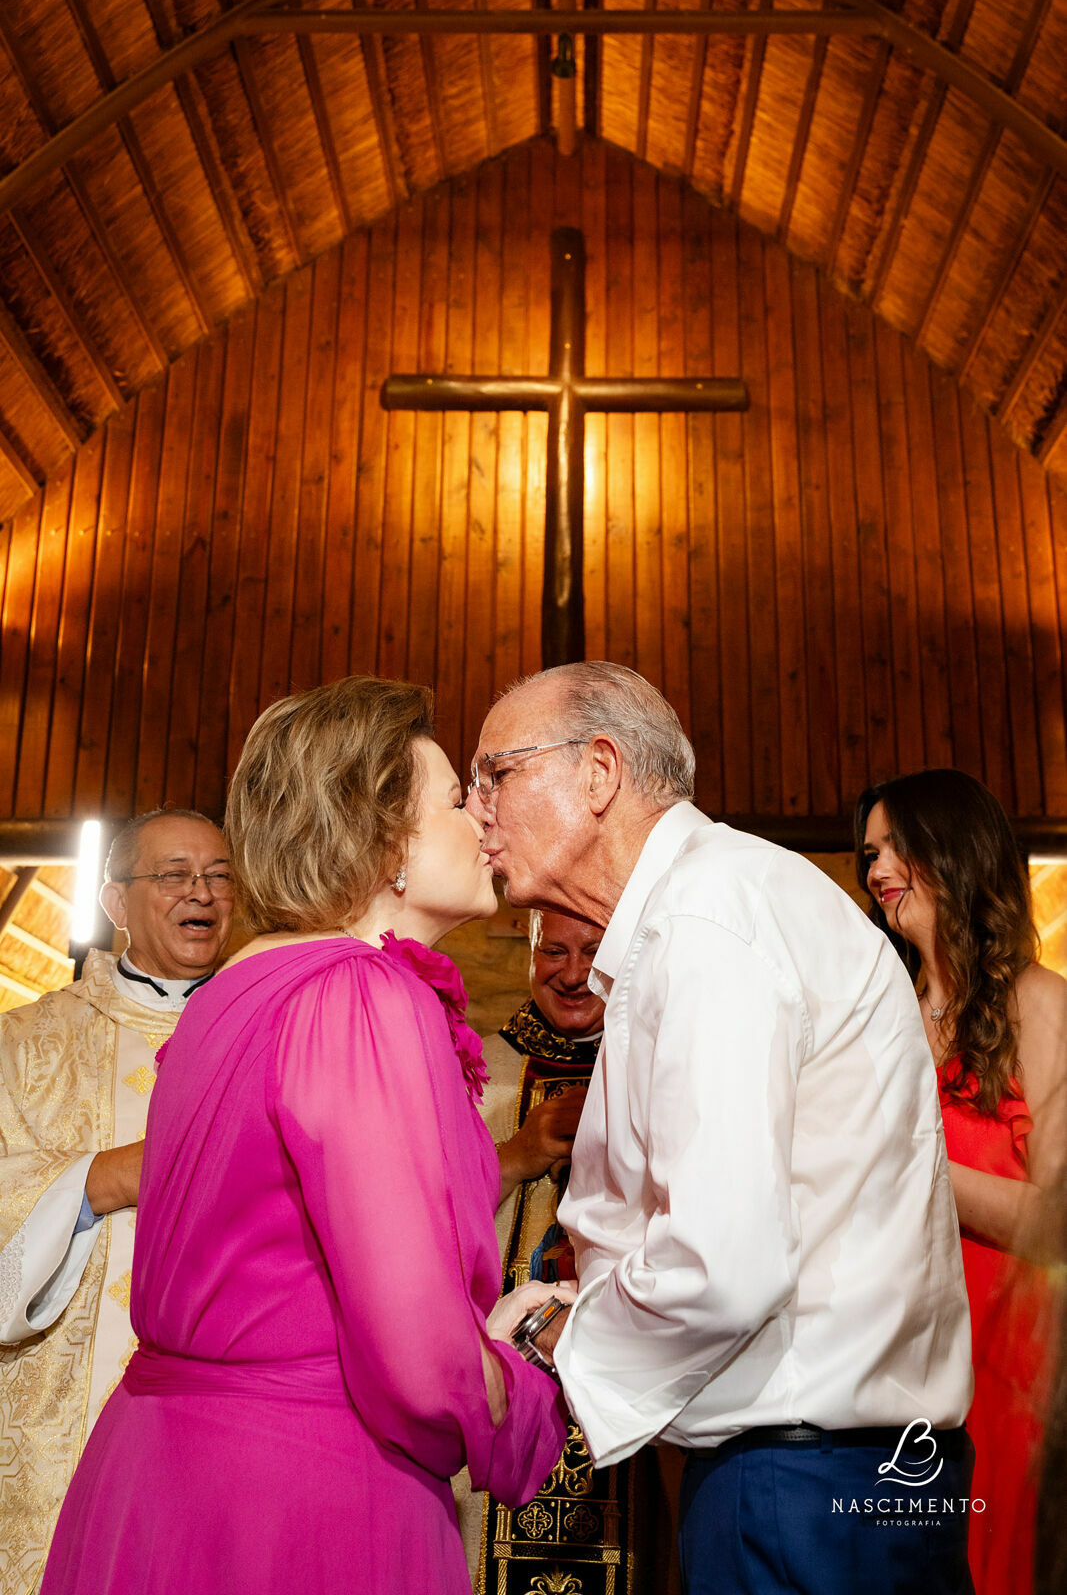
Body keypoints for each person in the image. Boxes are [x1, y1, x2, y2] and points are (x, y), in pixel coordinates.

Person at [41, 676, 568, 1595]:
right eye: (456, 799)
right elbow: (418, 1365)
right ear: (385, 842)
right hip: (300, 1493)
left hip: (163, 1471)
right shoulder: (358, 996)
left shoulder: (236, 989)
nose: (484, 818)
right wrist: (519, 1386)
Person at [466, 661, 975, 1595]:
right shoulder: (715, 902)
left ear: (598, 772)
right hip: (840, 1469)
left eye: (496, 774)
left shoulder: (707, 920)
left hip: (799, 1482)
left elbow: (721, 1261)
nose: (476, 813)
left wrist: (554, 1341)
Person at [0, 809, 232, 1595]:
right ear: (114, 901)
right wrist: (98, 1180)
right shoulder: (23, 1043)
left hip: (226, 1425)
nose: (201, 892)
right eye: (173, 875)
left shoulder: (275, 1037)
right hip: (59, 1429)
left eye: (219, 876)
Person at [858, 770, 1067, 1595]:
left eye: (896, 847)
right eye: (869, 853)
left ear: (958, 850)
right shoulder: (875, 1017)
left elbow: (1057, 1218)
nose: (876, 870)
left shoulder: (1040, 1006)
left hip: (1005, 1367)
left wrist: (917, 1168)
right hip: (883, 1362)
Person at [460, 909, 672, 1593]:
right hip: (500, 1375)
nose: (575, 974)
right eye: (554, 951)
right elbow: (415, 1219)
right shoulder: (475, 1071)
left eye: (594, 953)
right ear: (529, 948)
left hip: (627, 1383)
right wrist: (515, 1155)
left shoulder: (661, 1065)